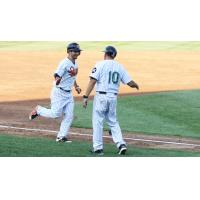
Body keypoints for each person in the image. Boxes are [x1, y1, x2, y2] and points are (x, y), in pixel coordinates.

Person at [83, 46, 139, 155]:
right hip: (113, 97)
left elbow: (92, 81)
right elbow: (130, 82)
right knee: (113, 121)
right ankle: (121, 144)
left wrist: (85, 96)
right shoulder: (119, 66)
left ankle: (98, 148)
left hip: (101, 97)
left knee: (98, 121)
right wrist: (135, 85)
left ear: (105, 54)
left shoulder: (100, 64)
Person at [29, 42, 82, 142]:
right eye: (75, 51)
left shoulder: (75, 63)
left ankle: (61, 137)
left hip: (68, 94)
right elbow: (57, 74)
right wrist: (57, 79)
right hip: (59, 92)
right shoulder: (64, 63)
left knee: (69, 116)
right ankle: (39, 110)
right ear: (69, 52)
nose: (77, 53)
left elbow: (72, 76)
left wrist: (76, 86)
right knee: (55, 114)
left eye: (78, 51)